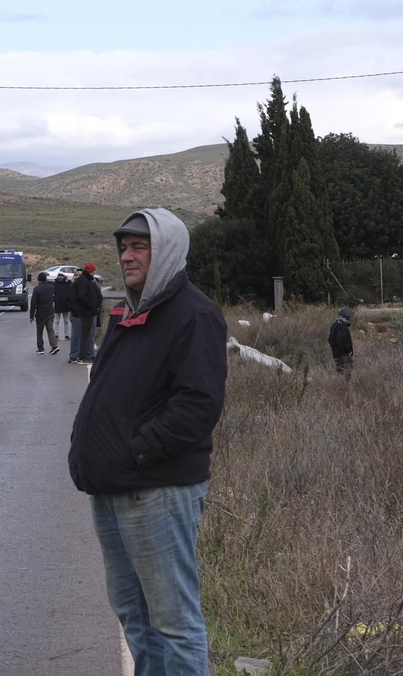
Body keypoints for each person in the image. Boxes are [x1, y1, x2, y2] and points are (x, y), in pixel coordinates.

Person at [69, 209, 226, 675]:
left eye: (140, 246)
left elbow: (198, 405)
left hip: (157, 490)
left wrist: (134, 450)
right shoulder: (130, 312)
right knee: (135, 617)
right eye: (124, 246)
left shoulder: (194, 315)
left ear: (168, 251)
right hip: (115, 488)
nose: (128, 255)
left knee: (174, 623)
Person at [71, 262, 104, 364]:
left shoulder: (89, 280)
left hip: (89, 311)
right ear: (90, 271)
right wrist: (92, 305)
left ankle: (86, 355)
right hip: (86, 312)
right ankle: (82, 357)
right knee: (84, 335)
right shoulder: (83, 281)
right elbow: (82, 296)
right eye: (94, 270)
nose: (95, 272)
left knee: (88, 334)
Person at [29, 271, 60, 354]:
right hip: (50, 312)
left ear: (39, 280)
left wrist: (31, 316)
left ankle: (40, 348)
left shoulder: (37, 289)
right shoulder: (51, 287)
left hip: (40, 313)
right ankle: (54, 346)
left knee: (39, 332)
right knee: (50, 330)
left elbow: (33, 303)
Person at [329, 306, 354, 375]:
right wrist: (347, 350)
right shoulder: (342, 326)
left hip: (337, 354)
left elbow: (330, 339)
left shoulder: (335, 325)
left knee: (340, 374)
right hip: (343, 356)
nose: (351, 318)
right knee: (345, 375)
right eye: (350, 316)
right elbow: (340, 340)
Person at [54, 273, 75, 342]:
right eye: (59, 276)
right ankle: (56, 335)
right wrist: (54, 299)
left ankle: (66, 334)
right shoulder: (55, 284)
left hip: (66, 305)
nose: (60, 277)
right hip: (58, 305)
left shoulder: (66, 284)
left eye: (61, 276)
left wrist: (68, 280)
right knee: (56, 321)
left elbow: (72, 285)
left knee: (66, 321)